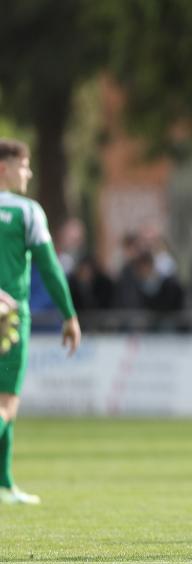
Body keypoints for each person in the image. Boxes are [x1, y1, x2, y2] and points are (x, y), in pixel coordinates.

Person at [0, 139, 81, 505]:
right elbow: (49, 266)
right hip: (9, 317)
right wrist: (69, 315)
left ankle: (4, 483)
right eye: (23, 165)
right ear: (4, 168)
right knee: (7, 403)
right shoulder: (26, 211)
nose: (29, 173)